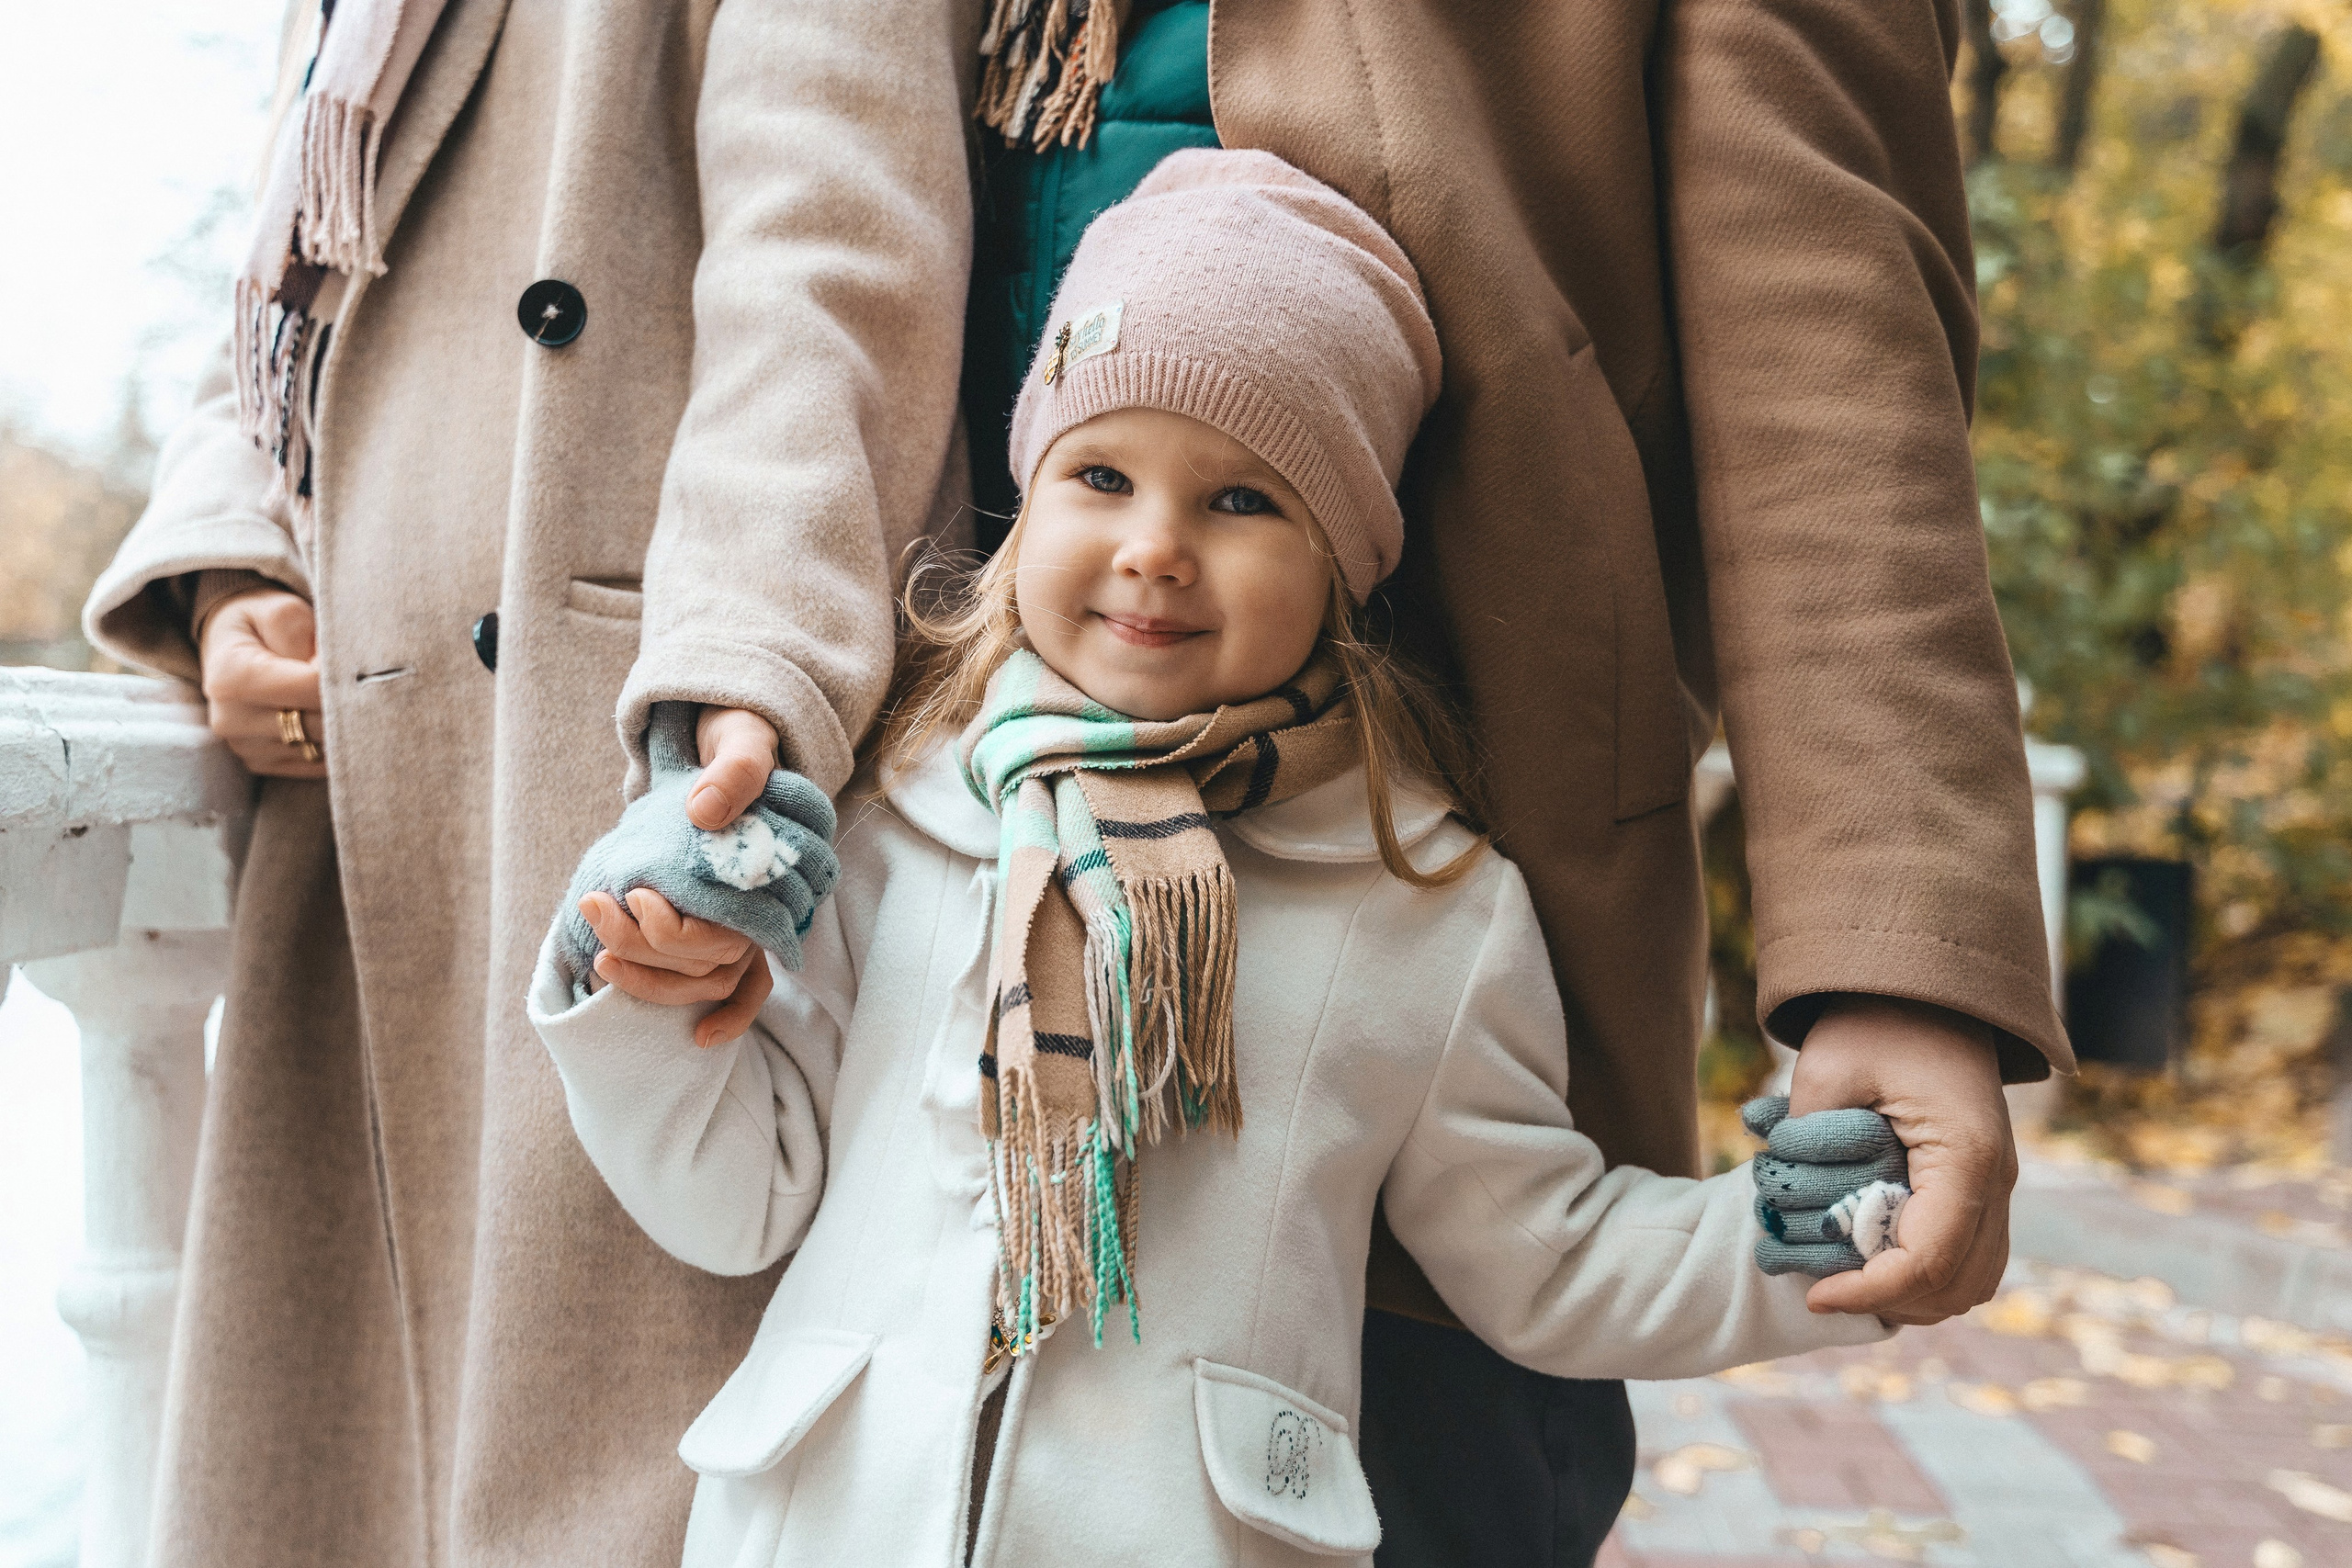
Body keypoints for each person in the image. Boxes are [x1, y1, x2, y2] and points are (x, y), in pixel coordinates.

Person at [532, 149, 1896, 1568]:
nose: (1155, 549)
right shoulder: (897, 820)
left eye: (1244, 501)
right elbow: (734, 1196)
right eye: (1102, 476)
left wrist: (1802, 1237)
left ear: (1347, 559)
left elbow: (1544, 1254)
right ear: (1028, 503)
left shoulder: (1424, 908)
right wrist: (628, 986)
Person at [955, 4, 2075, 1558]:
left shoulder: (1446, 928)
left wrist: (1901, 960)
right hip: (961, 822)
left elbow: (1827, 342)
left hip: (1450, 846)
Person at [79, 1, 974, 1562]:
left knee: (630, 1467)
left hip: (619, 764)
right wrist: (232, 566)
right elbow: (285, 281)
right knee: (339, 1482)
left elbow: (830, 250)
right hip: (374, 789)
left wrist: (747, 667)